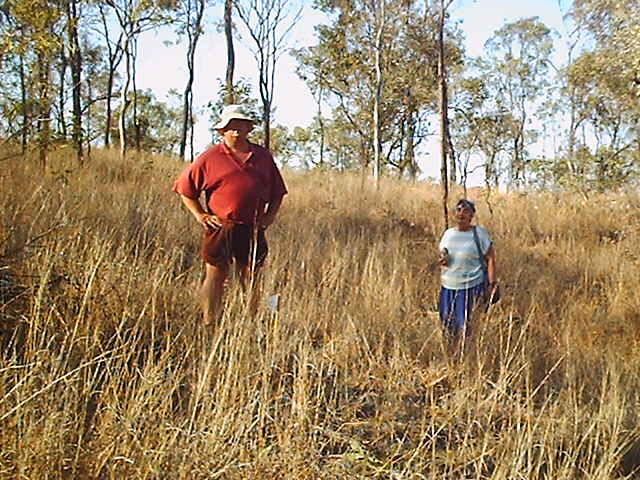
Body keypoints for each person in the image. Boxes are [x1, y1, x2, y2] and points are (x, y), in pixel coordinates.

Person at [173, 104, 287, 326]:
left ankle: (253, 323)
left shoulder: (262, 157)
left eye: (241, 125)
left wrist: (269, 217)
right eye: (231, 125)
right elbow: (185, 189)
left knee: (252, 276)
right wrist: (201, 215)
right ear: (221, 130)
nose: (236, 130)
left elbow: (277, 192)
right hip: (221, 226)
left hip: (253, 227)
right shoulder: (209, 157)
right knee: (215, 274)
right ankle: (209, 323)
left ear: (249, 128)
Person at [438, 199, 498, 352]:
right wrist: (444, 259)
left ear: (472, 215)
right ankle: (451, 354)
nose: (461, 214)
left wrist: (492, 284)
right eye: (458, 210)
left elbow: (490, 258)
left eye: (466, 211)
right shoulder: (448, 234)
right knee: (447, 323)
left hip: (470, 286)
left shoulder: (480, 234)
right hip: (448, 287)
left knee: (466, 325)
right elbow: (444, 255)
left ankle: (467, 356)